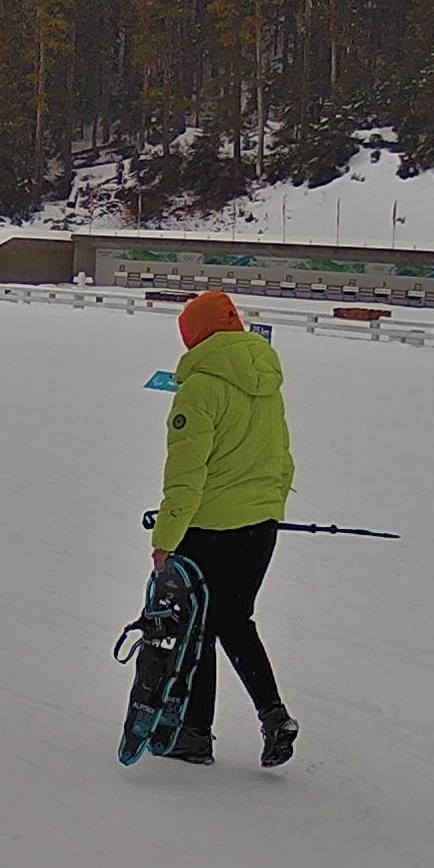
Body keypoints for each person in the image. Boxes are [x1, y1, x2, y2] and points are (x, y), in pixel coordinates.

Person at [148, 290, 300, 768]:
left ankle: (193, 734)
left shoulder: (200, 388)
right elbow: (283, 459)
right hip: (260, 529)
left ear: (194, 335)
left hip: (209, 530)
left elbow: (185, 476)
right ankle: (273, 714)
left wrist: (165, 539)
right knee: (234, 620)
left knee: (198, 628)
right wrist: (269, 509)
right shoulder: (266, 381)